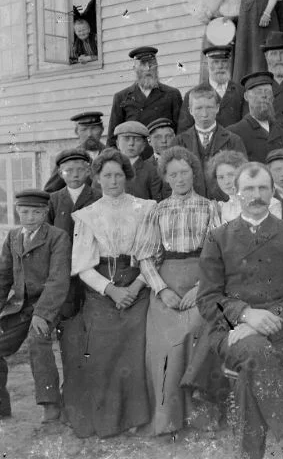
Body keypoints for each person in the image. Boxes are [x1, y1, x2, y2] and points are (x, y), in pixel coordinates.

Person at [195, 162, 283, 459]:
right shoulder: (218, 237)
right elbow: (208, 298)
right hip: (231, 331)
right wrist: (245, 315)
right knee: (255, 351)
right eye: (249, 189)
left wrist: (261, 322)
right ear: (236, 193)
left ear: (272, 191)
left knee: (254, 358)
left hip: (282, 330)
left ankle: (250, 455)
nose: (256, 194)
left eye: (263, 187)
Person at [63, 149, 155, 438]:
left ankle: (138, 418)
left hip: (139, 284)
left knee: (136, 345)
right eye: (107, 175)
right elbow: (81, 266)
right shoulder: (87, 215)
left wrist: (136, 286)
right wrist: (112, 290)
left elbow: (153, 255)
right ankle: (107, 421)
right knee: (102, 349)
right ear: (97, 179)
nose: (113, 180)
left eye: (118, 174)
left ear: (126, 176)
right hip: (101, 289)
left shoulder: (146, 208)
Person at [136, 147, 221, 436]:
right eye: (173, 174)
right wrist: (161, 290)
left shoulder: (211, 207)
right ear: (166, 178)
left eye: (184, 172)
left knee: (198, 333)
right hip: (167, 282)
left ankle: (199, 414)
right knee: (164, 347)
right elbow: (146, 256)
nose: (180, 178)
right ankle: (167, 418)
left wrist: (201, 288)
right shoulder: (157, 210)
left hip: (202, 282)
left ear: (193, 173)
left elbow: (219, 254)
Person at [0, 190, 69, 425]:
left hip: (48, 305)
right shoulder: (13, 237)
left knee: (38, 343)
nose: (30, 217)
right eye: (25, 212)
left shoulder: (57, 237)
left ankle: (50, 407)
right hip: (18, 308)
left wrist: (42, 314)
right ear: (17, 211)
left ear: (46, 213)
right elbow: (2, 277)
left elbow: (58, 280)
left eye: (37, 212)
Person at [46, 148, 101, 337]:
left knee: (91, 311)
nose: (75, 174)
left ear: (88, 172)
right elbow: (48, 235)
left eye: (80, 169)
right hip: (65, 267)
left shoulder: (98, 197)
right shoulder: (54, 200)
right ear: (60, 174)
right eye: (69, 170)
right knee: (67, 311)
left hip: (92, 265)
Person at [174, 86, 247, 198]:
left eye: (209, 107)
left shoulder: (233, 140)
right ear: (190, 110)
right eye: (198, 108)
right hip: (192, 206)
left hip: (226, 205)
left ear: (217, 108)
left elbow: (244, 177)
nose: (204, 114)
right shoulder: (179, 142)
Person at [108, 47, 183, 151]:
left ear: (156, 67)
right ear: (134, 68)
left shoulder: (172, 94)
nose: (148, 69)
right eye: (143, 65)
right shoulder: (121, 97)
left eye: (151, 64)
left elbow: (181, 133)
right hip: (134, 160)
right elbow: (112, 139)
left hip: (164, 157)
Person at [183, 0, 239, 83]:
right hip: (212, 32)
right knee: (211, 64)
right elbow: (206, 17)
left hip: (227, 30)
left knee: (228, 62)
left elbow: (232, 8)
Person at [228, 71, 283, 164]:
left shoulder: (282, 132)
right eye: (258, 92)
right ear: (246, 96)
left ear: (272, 97)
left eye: (267, 91)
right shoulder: (234, 132)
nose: (264, 95)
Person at [207, 150, 282, 223]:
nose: (226, 182)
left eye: (231, 175)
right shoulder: (222, 208)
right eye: (221, 177)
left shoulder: (270, 203)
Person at [44, 111, 107, 193]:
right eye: (84, 129)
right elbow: (50, 191)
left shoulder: (111, 155)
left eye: (94, 128)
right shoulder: (68, 158)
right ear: (77, 132)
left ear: (102, 130)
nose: (89, 134)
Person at [115, 121, 164, 201]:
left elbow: (156, 201)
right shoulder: (108, 169)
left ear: (144, 145)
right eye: (126, 139)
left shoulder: (152, 171)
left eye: (137, 139)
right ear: (117, 144)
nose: (131, 143)